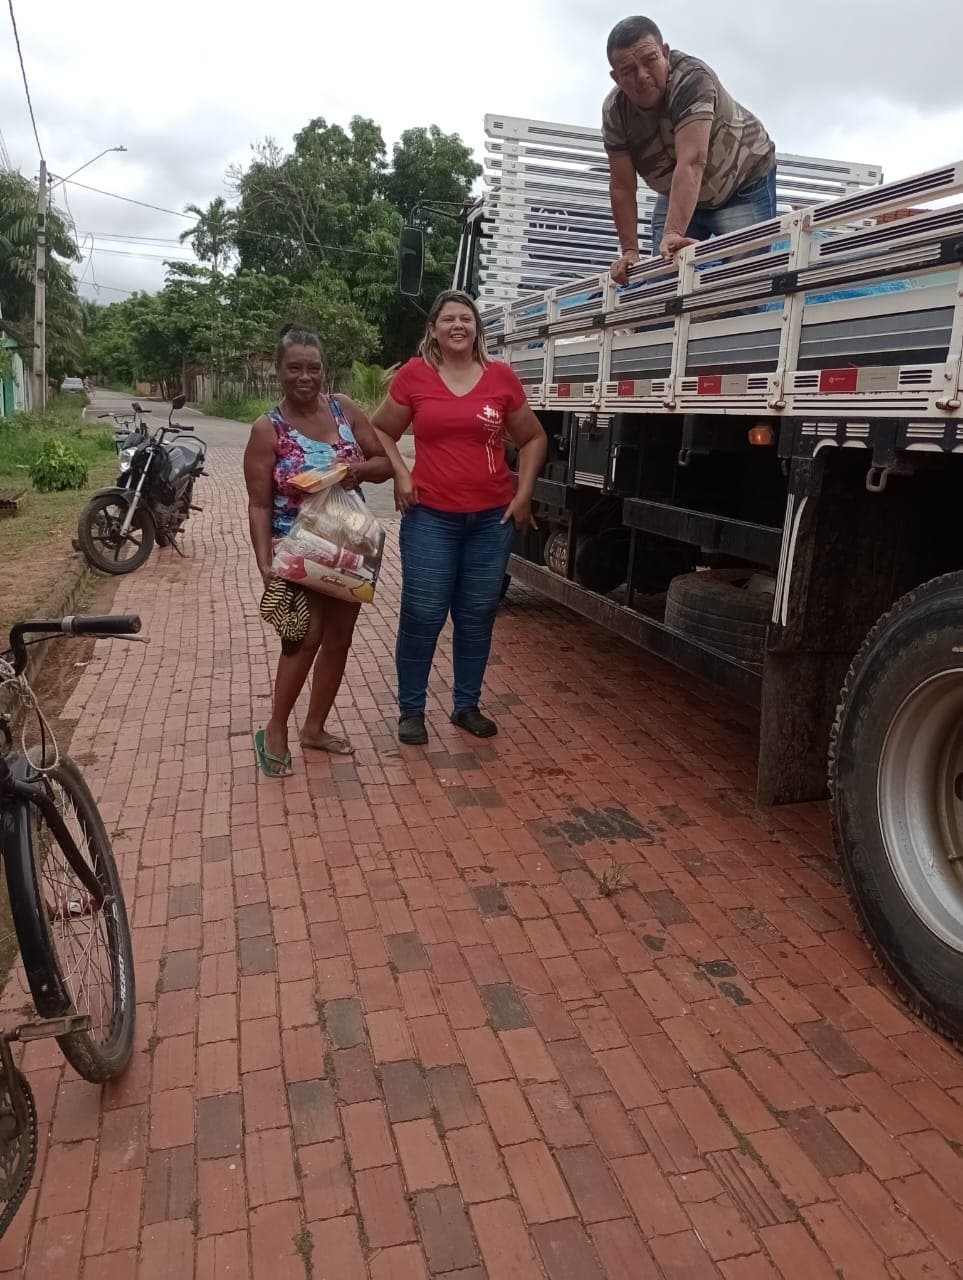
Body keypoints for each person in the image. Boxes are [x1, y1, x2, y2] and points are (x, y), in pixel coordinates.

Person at [372, 290, 547, 746]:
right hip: (431, 517)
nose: (457, 325)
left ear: (476, 328)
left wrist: (524, 493)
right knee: (423, 613)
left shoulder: (500, 377)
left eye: (466, 319)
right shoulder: (415, 375)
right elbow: (380, 429)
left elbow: (533, 438)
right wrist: (401, 473)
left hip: (491, 521)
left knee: (477, 615)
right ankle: (411, 711)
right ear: (433, 329)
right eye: (448, 319)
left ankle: (466, 705)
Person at [244, 324, 392, 777]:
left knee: (339, 639)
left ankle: (314, 728)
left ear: (325, 370)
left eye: (313, 368)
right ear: (278, 370)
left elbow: (384, 462)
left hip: (349, 546)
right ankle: (275, 728)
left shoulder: (344, 408)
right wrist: (265, 563)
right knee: (303, 638)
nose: (305, 377)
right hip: (297, 550)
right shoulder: (267, 429)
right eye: (294, 368)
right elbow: (259, 503)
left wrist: (358, 471)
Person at [603, 15, 776, 282]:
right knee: (662, 278)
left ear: (665, 53)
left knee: (744, 282)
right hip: (679, 189)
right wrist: (629, 251)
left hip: (741, 183)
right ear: (616, 77)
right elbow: (622, 186)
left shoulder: (692, 80)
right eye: (628, 71)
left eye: (650, 60)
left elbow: (693, 161)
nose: (643, 76)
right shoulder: (615, 111)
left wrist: (672, 232)